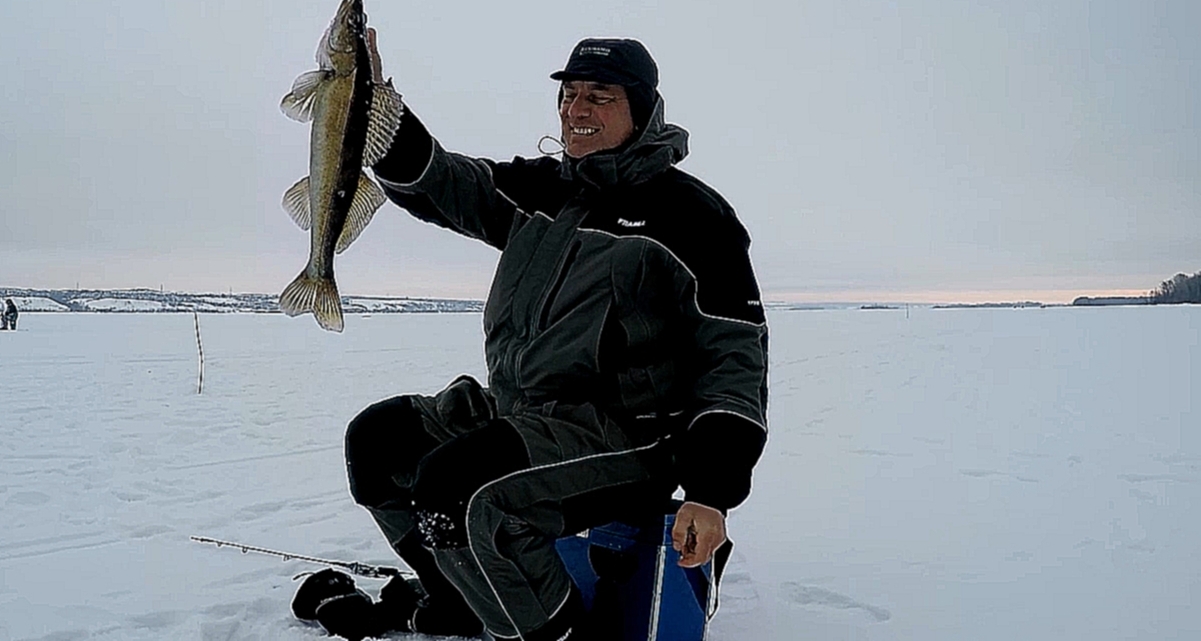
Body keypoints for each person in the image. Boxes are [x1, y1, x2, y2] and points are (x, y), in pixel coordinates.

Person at [294, 36, 769, 641]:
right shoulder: (546, 191)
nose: (576, 110)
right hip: (526, 411)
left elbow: (735, 357)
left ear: (644, 109)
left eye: (599, 96)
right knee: (382, 441)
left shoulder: (692, 217)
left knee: (460, 488)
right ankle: (467, 597)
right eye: (568, 95)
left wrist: (711, 490)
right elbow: (445, 183)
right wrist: (377, 114)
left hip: (631, 437)